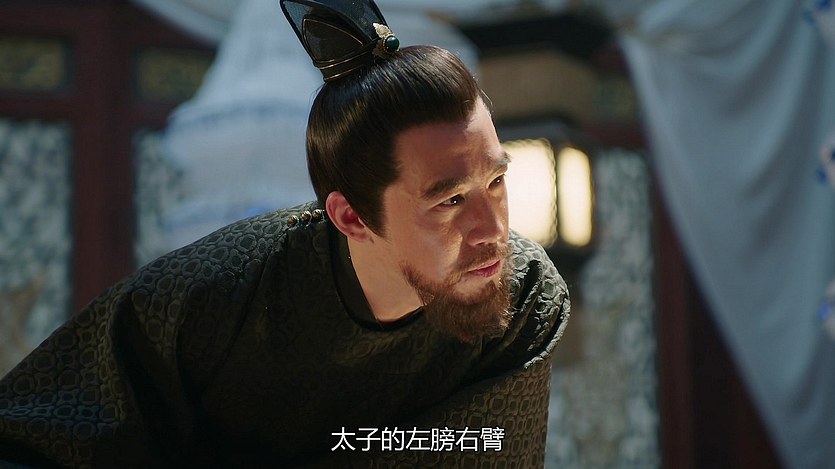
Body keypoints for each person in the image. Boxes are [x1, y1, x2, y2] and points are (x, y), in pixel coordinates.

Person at [0, 0, 570, 466]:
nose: (492, 230)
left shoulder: (523, 294)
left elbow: (481, 448)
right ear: (351, 217)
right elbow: (32, 434)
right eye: (450, 201)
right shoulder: (214, 298)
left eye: (496, 181)